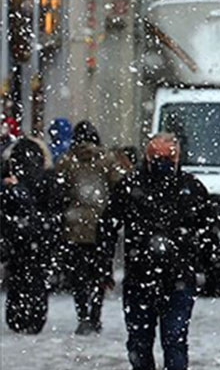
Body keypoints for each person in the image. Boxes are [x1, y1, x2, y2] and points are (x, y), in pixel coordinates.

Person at [98, 134, 220, 370]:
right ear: (147, 157)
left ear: (178, 158)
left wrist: (213, 268)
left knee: (174, 341)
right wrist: (102, 267)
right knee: (140, 343)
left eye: (169, 156)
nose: (163, 162)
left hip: (177, 279)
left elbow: (207, 231)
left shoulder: (191, 188)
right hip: (142, 278)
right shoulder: (131, 187)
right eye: (158, 156)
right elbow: (108, 226)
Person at [55, 121, 126, 334]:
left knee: (79, 275)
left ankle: (83, 314)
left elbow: (59, 190)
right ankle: (96, 313)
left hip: (74, 226)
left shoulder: (67, 161)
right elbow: (120, 186)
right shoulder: (108, 160)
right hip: (101, 225)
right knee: (100, 273)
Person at [1, 137, 62, 333]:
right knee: (36, 277)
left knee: (18, 275)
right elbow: (55, 203)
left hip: (17, 233)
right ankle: (34, 318)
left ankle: (17, 317)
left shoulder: (12, 177)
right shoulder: (46, 176)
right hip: (39, 234)